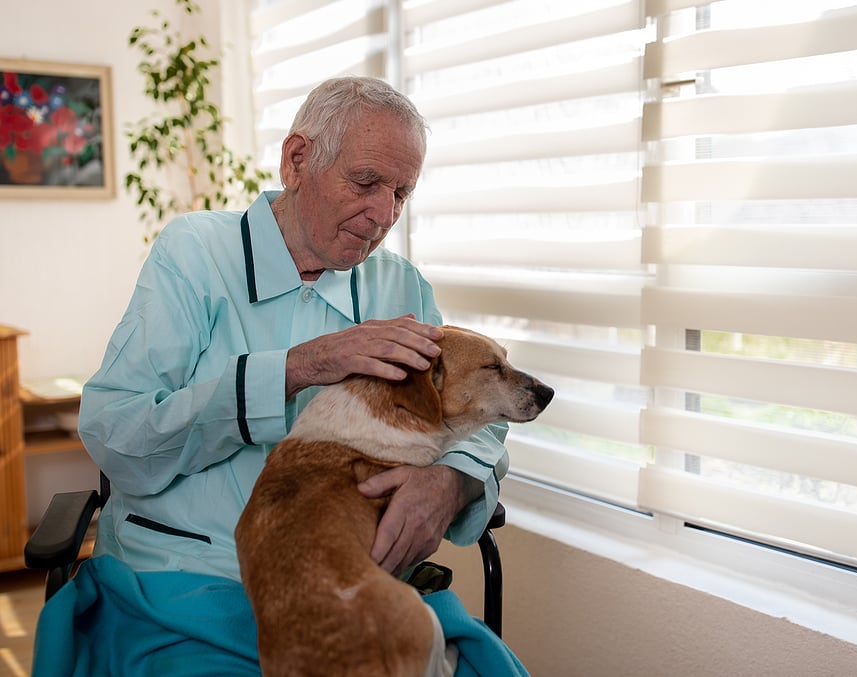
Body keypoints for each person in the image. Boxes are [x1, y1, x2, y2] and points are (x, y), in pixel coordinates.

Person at [32, 77, 527, 676]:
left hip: (355, 587)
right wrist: (301, 367)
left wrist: (451, 481)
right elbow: (118, 435)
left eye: (401, 193)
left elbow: (476, 417)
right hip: (191, 581)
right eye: (367, 183)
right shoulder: (194, 255)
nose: (382, 214)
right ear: (298, 160)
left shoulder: (400, 287)